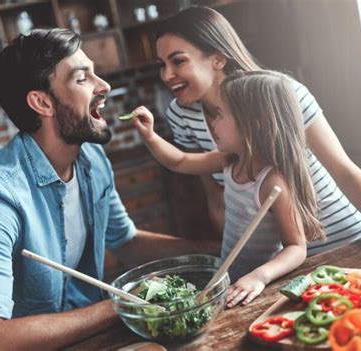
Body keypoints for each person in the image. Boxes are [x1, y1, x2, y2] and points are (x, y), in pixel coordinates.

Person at [0, 28, 220, 351]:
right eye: (82, 79)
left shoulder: (91, 157)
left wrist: (219, 254)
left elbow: (127, 241)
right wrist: (122, 304)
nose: (104, 86)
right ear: (42, 102)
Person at [155, 6, 361, 253]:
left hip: (351, 241)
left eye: (178, 61)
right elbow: (218, 200)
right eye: (162, 64)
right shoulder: (181, 115)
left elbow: (344, 171)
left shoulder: (283, 94)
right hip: (284, 263)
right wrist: (238, 263)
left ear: (217, 58)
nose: (166, 75)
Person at [131, 70, 326, 307]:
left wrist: (258, 277)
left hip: (256, 291)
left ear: (251, 126)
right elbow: (179, 161)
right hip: (230, 280)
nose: (213, 123)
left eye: (220, 115)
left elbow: (297, 247)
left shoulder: (272, 183)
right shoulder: (230, 159)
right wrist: (150, 136)